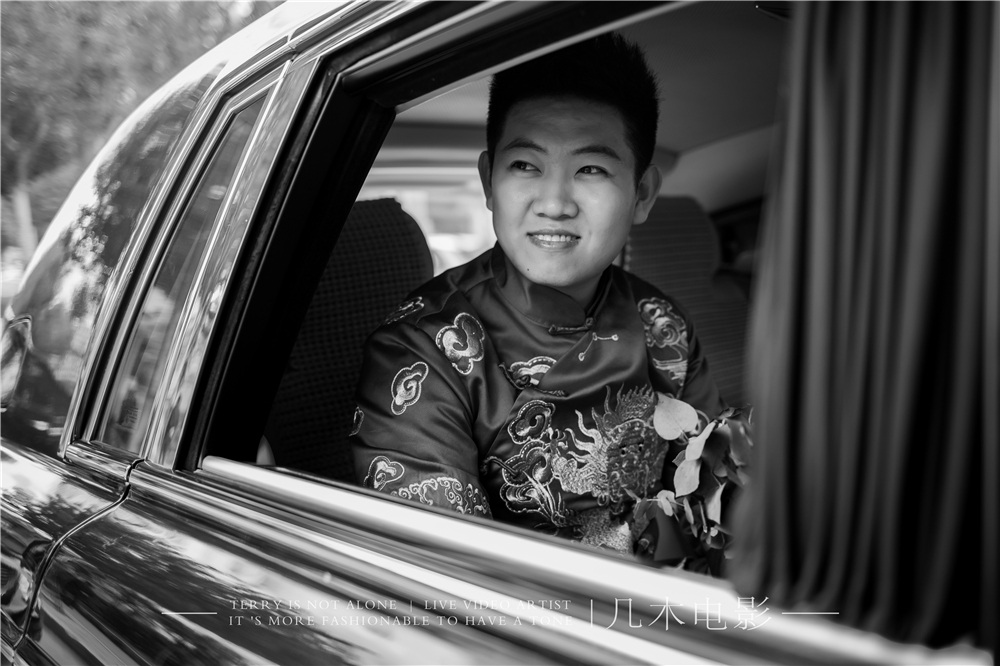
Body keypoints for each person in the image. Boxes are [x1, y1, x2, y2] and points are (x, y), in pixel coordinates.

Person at [350, 33, 725, 556]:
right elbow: (450, 571)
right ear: (489, 181)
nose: (554, 203)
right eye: (525, 165)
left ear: (641, 194)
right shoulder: (422, 348)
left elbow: (712, 507)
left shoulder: (663, 325)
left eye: (591, 169)